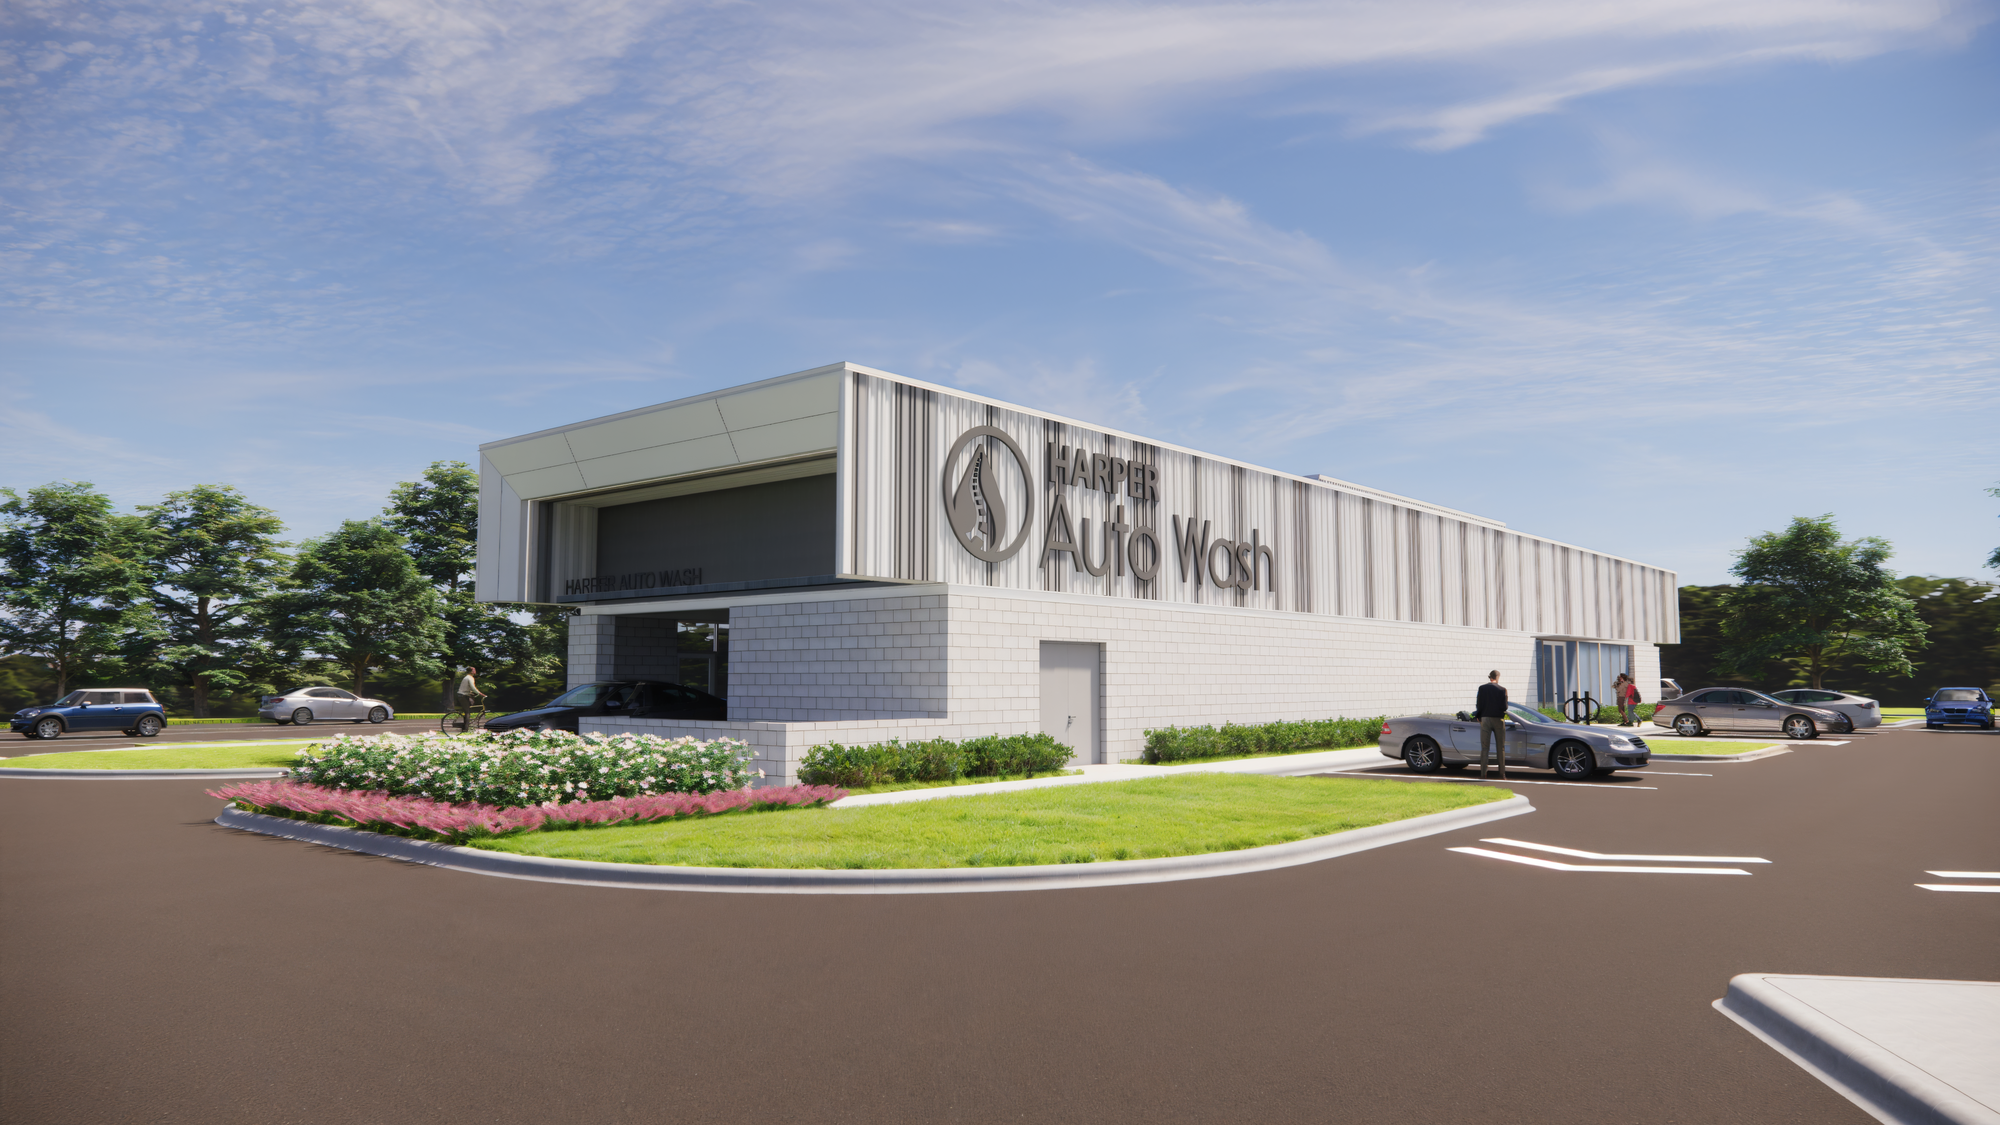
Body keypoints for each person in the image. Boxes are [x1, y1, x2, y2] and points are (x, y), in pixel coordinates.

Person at [1474, 670, 1509, 780]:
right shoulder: (1502, 690)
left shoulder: (1482, 688)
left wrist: (1479, 716)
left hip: (1485, 719)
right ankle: (1502, 774)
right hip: (1498, 719)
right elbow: (1505, 707)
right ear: (1497, 677)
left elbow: (1478, 705)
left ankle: (1483, 773)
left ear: (1490, 677)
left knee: (1485, 748)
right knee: (1500, 748)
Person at [452, 666, 487, 732]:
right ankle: (465, 729)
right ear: (471, 671)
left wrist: (472, 693)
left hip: (463, 695)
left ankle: (466, 726)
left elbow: (469, 688)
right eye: (474, 670)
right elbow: (473, 687)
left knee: (468, 710)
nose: (475, 671)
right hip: (462, 696)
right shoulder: (469, 678)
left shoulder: (467, 677)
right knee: (467, 712)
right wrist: (481, 694)